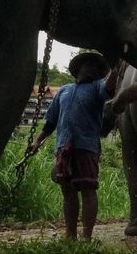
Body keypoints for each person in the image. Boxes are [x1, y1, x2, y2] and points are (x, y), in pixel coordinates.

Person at [30, 52, 117, 240]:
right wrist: (37, 141)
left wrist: (117, 67)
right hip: (63, 147)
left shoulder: (97, 88)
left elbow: (109, 87)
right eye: (88, 65)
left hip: (86, 146)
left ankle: (87, 236)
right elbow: (51, 122)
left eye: (96, 67)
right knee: (67, 191)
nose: (91, 69)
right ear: (79, 69)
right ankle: (70, 235)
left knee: (88, 188)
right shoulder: (63, 91)